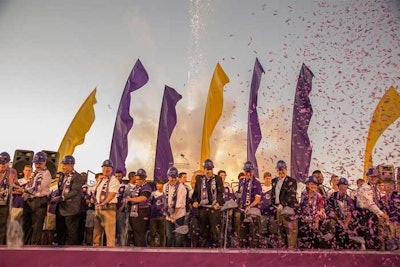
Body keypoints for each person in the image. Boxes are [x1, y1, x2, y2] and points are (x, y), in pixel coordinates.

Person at [191, 159, 225, 248]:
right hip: (202, 209)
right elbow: (195, 194)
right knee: (203, 232)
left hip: (214, 209)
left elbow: (221, 193)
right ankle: (204, 253)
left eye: (211, 169)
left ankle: (217, 252)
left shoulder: (218, 179)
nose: (209, 171)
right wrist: (194, 201)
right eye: (207, 169)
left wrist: (218, 202)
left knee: (215, 232)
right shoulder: (199, 179)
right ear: (204, 169)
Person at [53, 155, 84, 245]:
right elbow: (60, 190)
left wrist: (62, 198)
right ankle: (60, 251)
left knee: (71, 233)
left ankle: (70, 253)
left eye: (65, 165)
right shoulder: (62, 176)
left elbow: (75, 191)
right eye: (63, 164)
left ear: (72, 165)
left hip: (72, 209)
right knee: (60, 231)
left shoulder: (77, 177)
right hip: (61, 208)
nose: (63, 167)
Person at [357, 167, 390, 249]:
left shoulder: (375, 188)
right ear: (367, 177)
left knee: (375, 239)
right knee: (369, 239)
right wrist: (382, 214)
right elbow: (370, 204)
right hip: (365, 215)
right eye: (371, 176)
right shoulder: (364, 188)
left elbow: (378, 202)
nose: (373, 178)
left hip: (373, 215)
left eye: (375, 176)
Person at [23, 151, 52, 245]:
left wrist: (24, 190)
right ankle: (25, 246)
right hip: (30, 200)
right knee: (27, 225)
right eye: (36, 163)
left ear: (45, 162)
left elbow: (37, 188)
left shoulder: (46, 174)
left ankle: (33, 248)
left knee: (36, 227)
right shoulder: (34, 173)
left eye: (40, 163)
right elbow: (29, 185)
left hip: (39, 201)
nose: (38, 165)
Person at [271, 160, 298, 248]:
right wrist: (274, 204)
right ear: (277, 170)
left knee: (291, 234)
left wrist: (282, 204)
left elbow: (291, 195)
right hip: (278, 210)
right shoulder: (274, 181)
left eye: (283, 169)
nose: (281, 171)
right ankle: (282, 256)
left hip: (289, 210)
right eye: (279, 169)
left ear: (286, 170)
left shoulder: (292, 181)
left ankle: (292, 256)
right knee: (280, 233)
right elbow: (273, 194)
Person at [92, 159, 120, 247]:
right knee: (97, 231)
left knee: (109, 232)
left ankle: (110, 252)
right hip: (98, 208)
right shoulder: (101, 180)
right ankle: (96, 250)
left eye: (108, 168)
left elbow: (112, 195)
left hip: (109, 207)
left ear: (112, 169)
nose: (106, 170)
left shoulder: (114, 180)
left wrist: (103, 203)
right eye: (104, 168)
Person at [238, 161, 262, 248]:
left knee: (253, 235)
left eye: (250, 171)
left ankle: (254, 256)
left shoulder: (257, 183)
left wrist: (249, 207)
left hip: (253, 211)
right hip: (243, 211)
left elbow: (257, 200)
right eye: (246, 171)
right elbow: (239, 195)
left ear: (253, 171)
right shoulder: (241, 181)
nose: (248, 174)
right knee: (242, 235)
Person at [298, 176, 326, 249]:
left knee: (314, 243)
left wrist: (316, 222)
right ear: (307, 185)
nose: (313, 186)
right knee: (304, 243)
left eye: (315, 184)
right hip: (304, 222)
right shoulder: (303, 194)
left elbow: (321, 210)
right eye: (311, 184)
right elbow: (301, 207)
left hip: (315, 222)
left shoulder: (319, 196)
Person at [326, 177, 354, 249]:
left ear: (347, 187)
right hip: (335, 219)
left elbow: (350, 213)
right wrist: (337, 219)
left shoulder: (349, 199)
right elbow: (329, 208)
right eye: (341, 186)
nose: (343, 189)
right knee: (332, 225)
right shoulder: (333, 195)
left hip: (345, 220)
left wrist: (346, 223)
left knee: (347, 231)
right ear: (338, 187)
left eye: (345, 186)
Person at [126, 168, 152, 247]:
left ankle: (141, 249)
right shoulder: (135, 187)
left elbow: (143, 198)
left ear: (144, 179)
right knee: (135, 231)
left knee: (140, 231)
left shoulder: (147, 187)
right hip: (134, 211)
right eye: (137, 179)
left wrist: (130, 199)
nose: (138, 181)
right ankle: (137, 248)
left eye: (140, 179)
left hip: (142, 210)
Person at [164, 166, 187, 247]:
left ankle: (178, 255)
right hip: (168, 216)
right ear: (168, 177)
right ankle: (167, 255)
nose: (173, 179)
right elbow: (165, 201)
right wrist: (167, 214)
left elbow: (179, 204)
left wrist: (174, 216)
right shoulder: (165, 186)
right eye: (171, 177)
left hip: (179, 215)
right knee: (169, 236)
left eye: (175, 177)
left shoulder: (181, 188)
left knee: (178, 237)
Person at [0, 152, 18, 244]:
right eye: (0, 163)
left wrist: (15, 189)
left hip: (5, 203)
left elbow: (16, 186)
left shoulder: (12, 172)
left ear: (8, 162)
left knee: (3, 225)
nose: (2, 165)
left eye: (4, 163)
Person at [260, 171, 277, 248]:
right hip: (263, 214)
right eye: (266, 178)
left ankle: (272, 247)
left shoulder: (274, 189)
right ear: (264, 179)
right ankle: (263, 246)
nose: (268, 180)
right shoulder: (260, 189)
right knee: (263, 232)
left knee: (273, 232)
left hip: (272, 214)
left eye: (269, 179)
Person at [149, 179, 166, 247]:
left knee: (162, 233)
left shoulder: (165, 194)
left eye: (159, 184)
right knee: (152, 233)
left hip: (162, 216)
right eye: (157, 184)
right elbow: (149, 203)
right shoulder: (153, 194)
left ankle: (162, 247)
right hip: (153, 216)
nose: (157, 185)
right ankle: (152, 247)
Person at [115, 169, 129, 246]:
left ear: (122, 176)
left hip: (122, 212)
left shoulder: (125, 187)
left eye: (119, 176)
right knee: (113, 231)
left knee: (122, 230)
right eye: (116, 176)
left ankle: (122, 247)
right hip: (112, 211)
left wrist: (120, 210)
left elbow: (125, 200)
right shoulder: (111, 186)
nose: (117, 177)